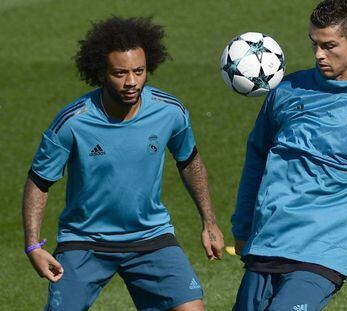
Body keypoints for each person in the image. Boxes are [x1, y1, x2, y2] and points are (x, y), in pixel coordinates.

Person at [22, 16, 224, 311]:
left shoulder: (170, 112)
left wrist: (209, 222)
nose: (131, 82)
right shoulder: (73, 122)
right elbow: (39, 182)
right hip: (84, 240)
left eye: (139, 71)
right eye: (120, 73)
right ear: (101, 72)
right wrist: (32, 246)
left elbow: (189, 161)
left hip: (150, 236)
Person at [231, 0, 347, 310]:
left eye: (329, 46)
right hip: (269, 241)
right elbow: (256, 157)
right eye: (314, 44)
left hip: (322, 253)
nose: (318, 54)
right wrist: (243, 225)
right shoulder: (286, 91)